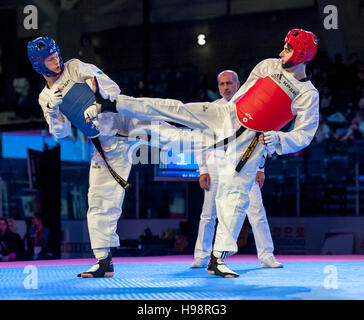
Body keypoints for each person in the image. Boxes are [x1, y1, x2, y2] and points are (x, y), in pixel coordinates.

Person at [100, 29, 320, 277]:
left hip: (249, 146)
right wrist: (227, 114)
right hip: (228, 117)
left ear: (302, 53)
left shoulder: (307, 94)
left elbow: (305, 135)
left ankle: (218, 258)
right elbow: (243, 93)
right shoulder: (269, 65)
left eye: (288, 49)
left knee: (235, 200)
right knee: (177, 112)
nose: (282, 52)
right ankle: (117, 104)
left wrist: (279, 139)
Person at [27, 37, 212, 277]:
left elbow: (108, 85)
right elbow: (60, 133)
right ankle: (104, 261)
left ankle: (220, 140)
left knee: (170, 137)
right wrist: (53, 111)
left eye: (57, 54)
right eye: (50, 58)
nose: (57, 60)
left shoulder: (74, 67)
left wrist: (98, 99)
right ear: (39, 64)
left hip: (123, 119)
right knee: (98, 199)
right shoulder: (45, 98)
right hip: (105, 145)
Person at [191, 70, 282, 269]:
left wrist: (261, 167)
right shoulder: (212, 109)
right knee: (208, 213)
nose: (226, 87)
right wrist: (202, 169)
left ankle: (267, 255)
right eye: (222, 84)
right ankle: (201, 256)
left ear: (238, 83)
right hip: (216, 165)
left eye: (229, 83)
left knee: (256, 211)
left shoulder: (253, 105)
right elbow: (200, 140)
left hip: (247, 165)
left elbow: (262, 139)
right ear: (218, 86)